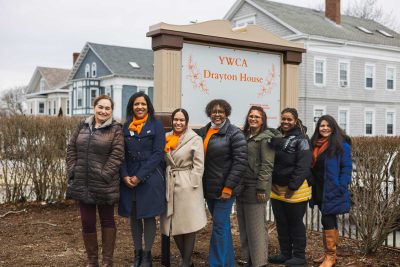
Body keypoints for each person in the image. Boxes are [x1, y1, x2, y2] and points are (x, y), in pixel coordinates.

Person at [66, 95, 124, 267]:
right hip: (82, 182)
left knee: (107, 220)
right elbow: (71, 148)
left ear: (111, 111)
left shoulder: (116, 129)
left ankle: (107, 260)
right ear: (94, 107)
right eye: (100, 107)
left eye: (107, 108)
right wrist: (73, 169)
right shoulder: (82, 126)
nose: (103, 111)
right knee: (87, 221)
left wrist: (104, 175)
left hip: (104, 183)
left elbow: (117, 155)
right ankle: (92, 260)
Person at [118, 92, 166, 267]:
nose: (140, 107)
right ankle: (137, 254)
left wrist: (139, 176)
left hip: (150, 177)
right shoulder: (124, 127)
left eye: (143, 104)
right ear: (132, 106)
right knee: (134, 216)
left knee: (148, 216)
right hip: (128, 177)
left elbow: (158, 154)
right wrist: (124, 175)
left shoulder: (156, 125)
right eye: (136, 104)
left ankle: (147, 256)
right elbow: (120, 154)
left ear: (148, 106)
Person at [198, 99, 248, 267]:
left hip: (224, 191)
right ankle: (228, 264)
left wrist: (228, 187)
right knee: (223, 226)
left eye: (221, 111)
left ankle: (216, 264)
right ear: (209, 113)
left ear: (226, 113)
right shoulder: (204, 132)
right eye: (214, 111)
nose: (217, 114)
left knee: (219, 228)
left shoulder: (234, 134)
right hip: (209, 189)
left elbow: (240, 163)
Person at [160, 108, 207, 267]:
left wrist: (192, 183)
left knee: (188, 224)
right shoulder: (166, 137)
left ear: (186, 122)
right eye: (175, 120)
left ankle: (186, 262)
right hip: (170, 183)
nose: (178, 123)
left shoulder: (195, 139)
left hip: (188, 186)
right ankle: (186, 259)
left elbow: (199, 165)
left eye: (181, 120)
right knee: (172, 225)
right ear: (171, 121)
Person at [237, 106, 281, 267]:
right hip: (242, 186)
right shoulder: (244, 136)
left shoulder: (265, 138)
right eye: (251, 116)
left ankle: (259, 262)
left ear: (263, 120)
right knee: (244, 226)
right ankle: (248, 259)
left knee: (256, 228)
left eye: (257, 116)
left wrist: (262, 188)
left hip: (256, 187)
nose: (253, 119)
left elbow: (267, 165)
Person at [268, 107, 312, 267]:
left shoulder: (302, 139)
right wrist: (270, 182)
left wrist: (292, 186)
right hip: (276, 189)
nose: (286, 122)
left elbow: (304, 165)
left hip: (296, 190)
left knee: (295, 222)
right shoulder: (276, 136)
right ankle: (285, 254)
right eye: (283, 119)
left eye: (289, 119)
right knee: (281, 222)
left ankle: (299, 256)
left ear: (295, 121)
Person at [310, 115, 352, 267]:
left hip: (333, 188)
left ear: (333, 127)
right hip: (319, 188)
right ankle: (329, 253)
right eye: (322, 126)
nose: (325, 128)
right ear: (318, 128)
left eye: (328, 125)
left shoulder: (342, 145)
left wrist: (341, 185)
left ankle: (330, 256)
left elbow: (346, 168)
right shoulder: (315, 144)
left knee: (327, 219)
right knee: (328, 219)